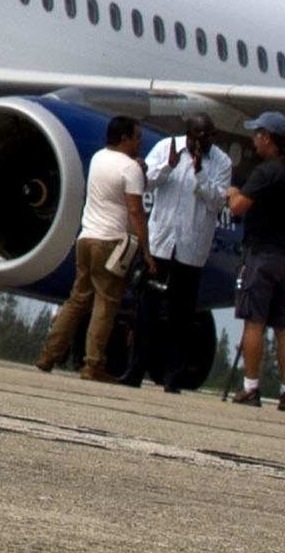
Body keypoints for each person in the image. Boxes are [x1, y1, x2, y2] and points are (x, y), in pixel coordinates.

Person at [48, 118, 149, 381]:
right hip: (111, 242)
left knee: (77, 299)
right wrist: (146, 250)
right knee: (106, 303)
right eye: (137, 137)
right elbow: (135, 211)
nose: (140, 142)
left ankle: (49, 353)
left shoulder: (97, 158)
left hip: (86, 237)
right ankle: (92, 363)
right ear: (125, 138)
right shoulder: (131, 168)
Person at [227, 119, 285, 410]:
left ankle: (251, 386)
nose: (253, 139)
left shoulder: (267, 172)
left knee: (255, 321)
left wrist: (233, 194)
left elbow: (239, 207)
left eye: (257, 134)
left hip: (261, 253)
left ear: (267, 138)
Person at [141, 116, 228, 389]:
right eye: (199, 137)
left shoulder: (221, 162)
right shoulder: (166, 147)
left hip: (191, 248)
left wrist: (200, 172)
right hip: (161, 243)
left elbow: (218, 199)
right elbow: (146, 181)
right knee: (147, 310)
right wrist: (168, 166)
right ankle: (135, 369)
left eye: (209, 137)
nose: (204, 142)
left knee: (181, 317)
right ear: (189, 135)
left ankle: (171, 376)